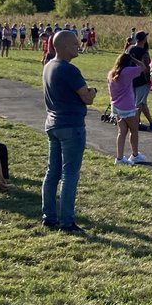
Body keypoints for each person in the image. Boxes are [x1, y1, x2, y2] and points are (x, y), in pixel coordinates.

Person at [42, 30, 97, 229]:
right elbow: (87, 97)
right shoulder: (69, 69)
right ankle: (66, 220)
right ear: (64, 47)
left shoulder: (48, 66)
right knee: (70, 174)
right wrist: (93, 91)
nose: (78, 46)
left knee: (52, 172)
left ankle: (49, 215)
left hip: (53, 123)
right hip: (71, 125)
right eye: (74, 44)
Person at [107, 52, 146, 164]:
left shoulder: (111, 73)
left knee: (122, 132)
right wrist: (134, 59)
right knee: (134, 131)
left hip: (116, 106)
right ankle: (135, 155)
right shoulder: (127, 71)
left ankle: (119, 158)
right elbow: (143, 67)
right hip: (128, 106)